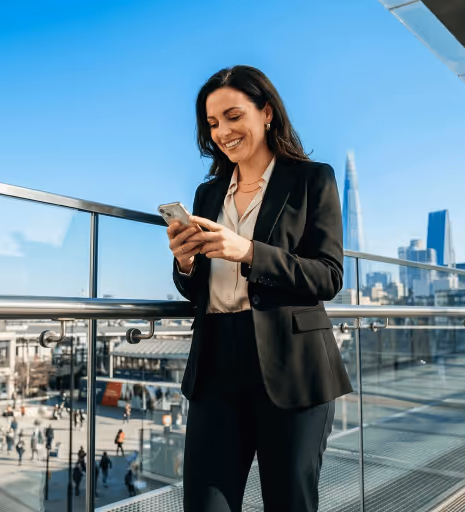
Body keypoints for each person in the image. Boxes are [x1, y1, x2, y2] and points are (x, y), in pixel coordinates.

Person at [168, 66, 351, 512]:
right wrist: (185, 260)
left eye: (233, 116)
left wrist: (249, 251)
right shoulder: (207, 194)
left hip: (292, 366)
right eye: (212, 124)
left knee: (290, 503)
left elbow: (329, 276)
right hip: (215, 364)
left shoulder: (312, 179)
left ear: (266, 112)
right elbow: (196, 291)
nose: (222, 132)